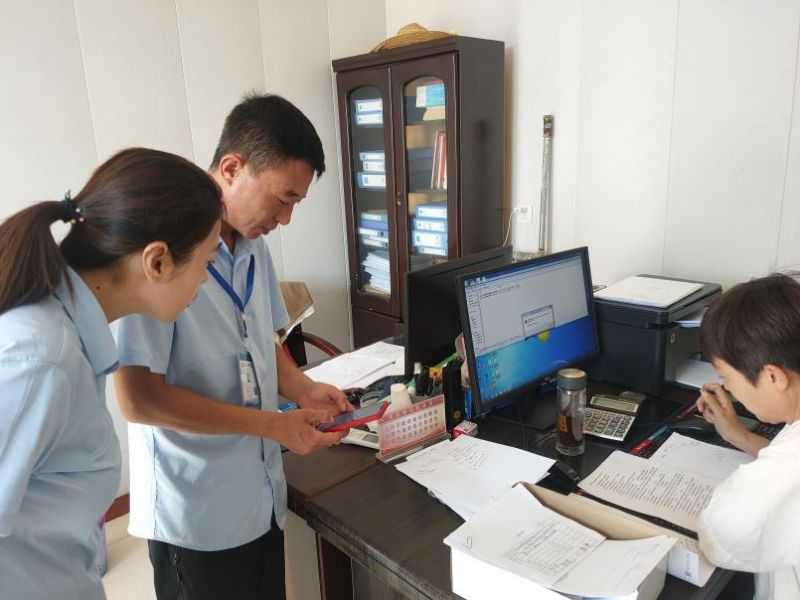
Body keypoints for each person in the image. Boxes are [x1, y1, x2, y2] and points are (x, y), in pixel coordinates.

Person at [112, 93, 351, 600]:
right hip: (196, 514)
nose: (285, 218)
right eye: (283, 198)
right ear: (231, 168)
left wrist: (303, 389)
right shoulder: (160, 253)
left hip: (259, 496)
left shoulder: (254, 246)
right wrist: (272, 425)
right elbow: (138, 399)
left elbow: (264, 340)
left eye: (296, 203)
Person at [0, 148, 222, 600]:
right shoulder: (38, 361)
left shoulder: (66, 339)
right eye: (208, 261)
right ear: (157, 261)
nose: (204, 280)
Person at [695, 273, 800, 600]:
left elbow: (720, 538)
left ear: (773, 376)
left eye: (727, 377)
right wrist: (738, 436)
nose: (728, 389)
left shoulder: (788, 468)